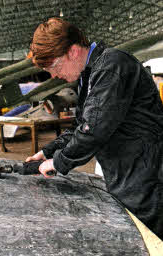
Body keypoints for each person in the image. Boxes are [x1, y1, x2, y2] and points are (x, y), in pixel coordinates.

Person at [26, 17, 163, 240]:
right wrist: (47, 152)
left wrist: (59, 162)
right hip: (126, 176)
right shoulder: (91, 74)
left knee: (151, 241)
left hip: (146, 180)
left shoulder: (112, 66)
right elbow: (81, 125)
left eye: (54, 66)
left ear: (72, 51)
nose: (54, 76)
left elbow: (93, 130)